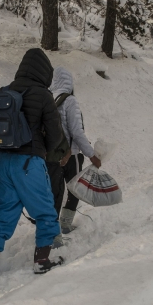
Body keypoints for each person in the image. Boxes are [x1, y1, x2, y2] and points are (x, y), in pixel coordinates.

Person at [0, 48, 64, 294]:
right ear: (44, 72)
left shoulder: (6, 91)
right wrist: (41, 150)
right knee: (46, 211)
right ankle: (42, 261)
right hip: (29, 162)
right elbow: (56, 134)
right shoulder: (43, 95)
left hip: (3, 163)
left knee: (2, 217)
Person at [47, 67, 101, 243]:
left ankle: (52, 233)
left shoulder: (50, 99)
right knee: (75, 190)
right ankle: (65, 224)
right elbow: (77, 132)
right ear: (69, 82)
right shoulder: (70, 100)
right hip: (72, 155)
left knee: (55, 194)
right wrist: (91, 154)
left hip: (53, 156)